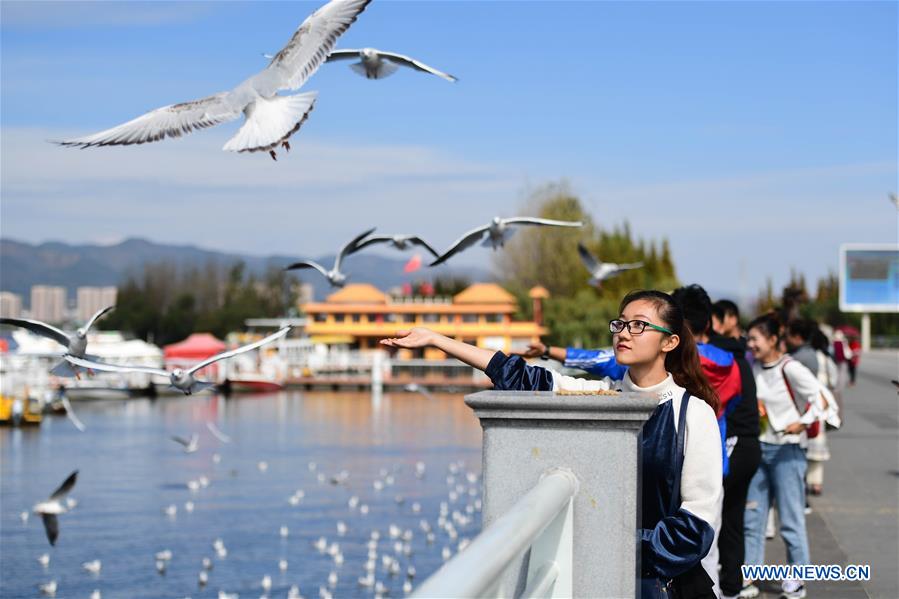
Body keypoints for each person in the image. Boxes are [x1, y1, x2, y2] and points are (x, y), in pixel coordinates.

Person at [382, 290, 723, 597]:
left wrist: (613, 545)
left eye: (638, 325)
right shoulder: (602, 396)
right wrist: (437, 339)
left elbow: (697, 526)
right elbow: (520, 376)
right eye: (620, 323)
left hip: (666, 586)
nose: (623, 333)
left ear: (670, 342)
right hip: (602, 580)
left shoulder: (691, 413)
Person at [742, 314, 825, 599]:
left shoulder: (792, 368)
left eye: (755, 338)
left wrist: (802, 422)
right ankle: (749, 578)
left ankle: (797, 580)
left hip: (787, 451)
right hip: (759, 448)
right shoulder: (751, 366)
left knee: (790, 520)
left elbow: (821, 400)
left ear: (773, 339)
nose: (750, 344)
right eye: (749, 338)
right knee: (752, 518)